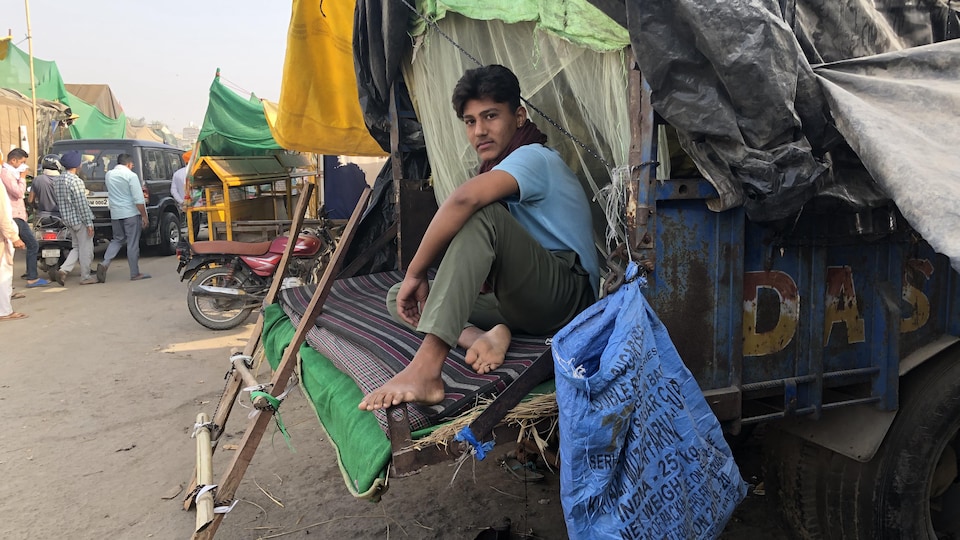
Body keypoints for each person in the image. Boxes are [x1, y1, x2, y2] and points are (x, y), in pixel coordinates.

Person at [359, 65, 599, 411]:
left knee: (479, 215)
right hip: (521, 299)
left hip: (566, 296)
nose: (479, 131)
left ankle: (427, 369)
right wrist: (414, 282)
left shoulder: (533, 157)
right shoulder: (499, 166)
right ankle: (482, 338)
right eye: (470, 122)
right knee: (404, 297)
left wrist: (415, 271)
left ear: (518, 117)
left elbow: (463, 200)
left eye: (490, 116)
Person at [96, 153, 150, 282]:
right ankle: (135, 273)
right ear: (129, 164)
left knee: (117, 239)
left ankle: (105, 263)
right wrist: (144, 216)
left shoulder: (109, 174)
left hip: (115, 213)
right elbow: (138, 199)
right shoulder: (131, 176)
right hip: (130, 213)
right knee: (132, 243)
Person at [1, 148, 48, 288]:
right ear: (13, 160)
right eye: (22, 162)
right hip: (14, 216)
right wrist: (22, 177)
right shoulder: (6, 174)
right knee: (32, 244)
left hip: (17, 215)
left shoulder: (10, 173)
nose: (23, 166)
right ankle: (32, 278)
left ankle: (26, 275)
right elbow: (19, 193)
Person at [52, 151, 97, 285]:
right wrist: (89, 223)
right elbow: (81, 204)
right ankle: (85, 277)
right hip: (79, 220)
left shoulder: (58, 180)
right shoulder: (75, 181)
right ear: (77, 165)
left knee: (76, 247)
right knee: (86, 248)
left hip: (67, 219)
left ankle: (64, 270)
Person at [0, 167, 27, 320]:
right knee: (3, 273)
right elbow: (3, 215)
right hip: (3, 236)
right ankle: (4, 311)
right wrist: (14, 237)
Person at [28, 154, 62, 219]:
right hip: (61, 217)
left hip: (42, 218)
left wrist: (36, 207)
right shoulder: (64, 180)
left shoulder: (37, 179)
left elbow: (30, 200)